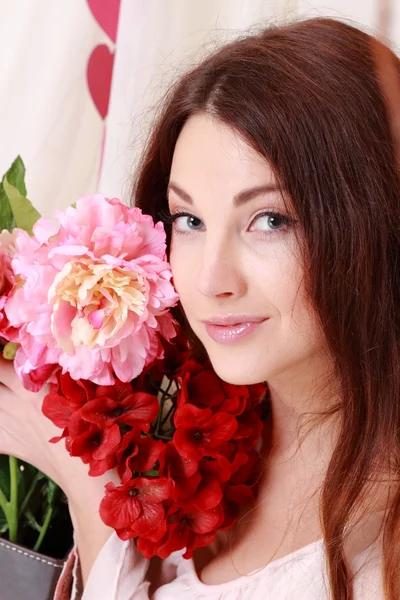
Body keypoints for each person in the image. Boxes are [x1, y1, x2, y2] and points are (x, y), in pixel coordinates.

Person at [0, 15, 399, 600]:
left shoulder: (381, 538)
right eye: (189, 220)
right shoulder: (177, 411)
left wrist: (89, 495)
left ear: (371, 220)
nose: (210, 279)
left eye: (270, 220)